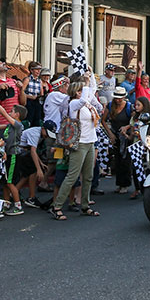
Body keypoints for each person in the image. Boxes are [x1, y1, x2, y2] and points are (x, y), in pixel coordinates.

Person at [50, 73, 100, 220]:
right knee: (72, 175)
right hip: (79, 143)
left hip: (90, 141)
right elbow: (86, 95)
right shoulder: (73, 104)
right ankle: (57, 206)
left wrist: (90, 77)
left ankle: (85, 205)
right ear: (75, 92)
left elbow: (92, 89)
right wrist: (85, 82)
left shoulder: (85, 103)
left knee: (88, 176)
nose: (83, 92)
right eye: (79, 90)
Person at [106, 86, 131, 194]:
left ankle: (125, 184)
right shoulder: (110, 106)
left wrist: (127, 127)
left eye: (120, 98)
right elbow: (103, 120)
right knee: (117, 159)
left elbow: (134, 121)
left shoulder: (129, 107)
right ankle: (119, 183)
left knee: (125, 160)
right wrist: (110, 133)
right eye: (116, 97)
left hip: (125, 136)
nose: (118, 100)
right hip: (115, 135)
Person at [21, 62, 44, 128]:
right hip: (29, 102)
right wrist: (31, 97)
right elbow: (22, 92)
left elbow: (41, 93)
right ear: (31, 70)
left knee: (37, 121)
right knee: (29, 120)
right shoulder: (27, 79)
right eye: (37, 69)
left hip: (37, 102)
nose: (38, 71)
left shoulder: (40, 81)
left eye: (40, 70)